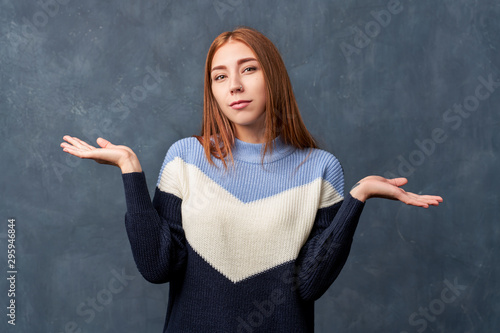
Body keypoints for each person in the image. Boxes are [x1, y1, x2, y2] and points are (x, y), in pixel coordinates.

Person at [61, 26, 442, 332]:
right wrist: (129, 167)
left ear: (272, 76)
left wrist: (359, 196)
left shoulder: (320, 168)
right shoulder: (186, 158)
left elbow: (309, 286)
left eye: (249, 68)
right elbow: (158, 267)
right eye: (220, 76)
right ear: (212, 89)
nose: (234, 86)